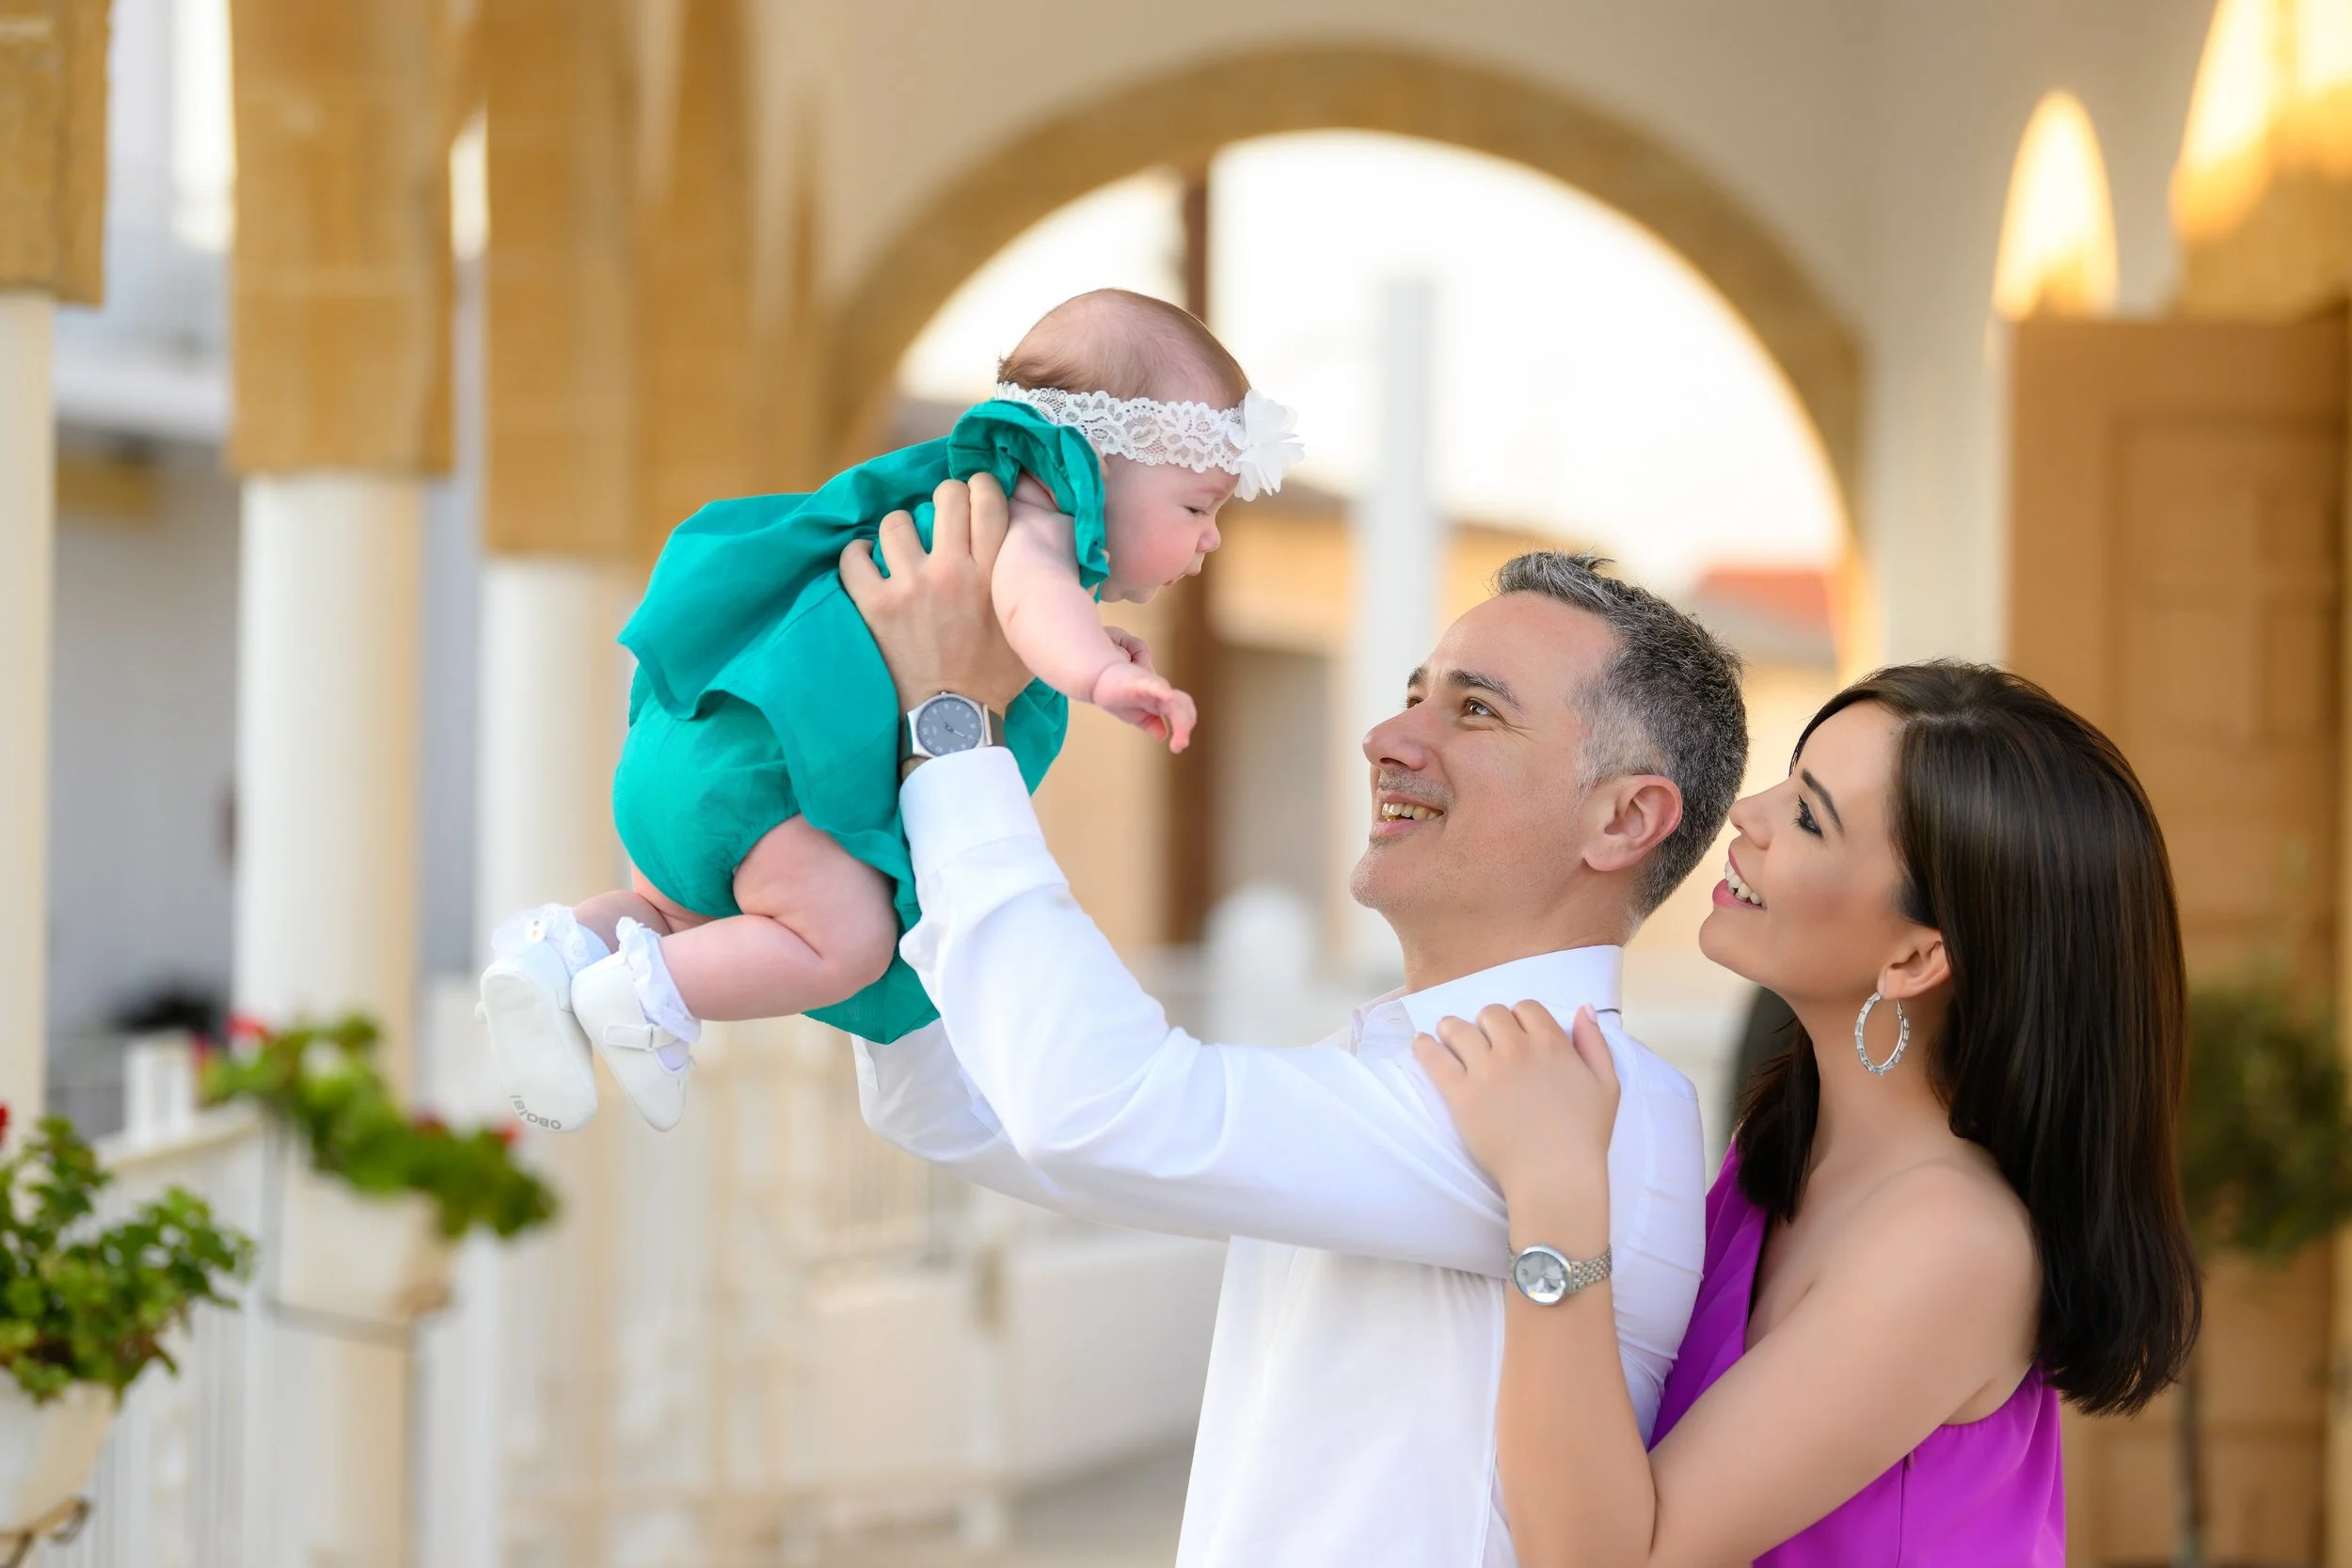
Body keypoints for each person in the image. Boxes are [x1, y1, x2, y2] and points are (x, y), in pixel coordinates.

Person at [840, 477, 1748, 1568]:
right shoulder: (1440, 1067)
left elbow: (1096, 1108)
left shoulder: (1564, 1092)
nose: (1387, 736)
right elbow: (959, 1110)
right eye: (1415, 693)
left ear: (1624, 818)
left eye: (1473, 709)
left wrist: (952, 730)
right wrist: (843, 899)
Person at [1415, 664, 2201, 1565]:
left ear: (1915, 957)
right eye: (1790, 777)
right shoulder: (1775, 1157)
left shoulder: (1953, 1241)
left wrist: (1552, 1192)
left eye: (1809, 815)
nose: (1748, 811)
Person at [476, 290, 1302, 1132]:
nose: (1210, 538)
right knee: (848, 943)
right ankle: (648, 1001)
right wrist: (1098, 676)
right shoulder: (1028, 515)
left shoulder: (947, 495)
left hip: (693, 749)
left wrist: (1094, 647)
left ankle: (558, 958)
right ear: (1094, 463)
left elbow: (1040, 614)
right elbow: (1032, 603)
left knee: (666, 911)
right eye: (1198, 506)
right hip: (775, 788)